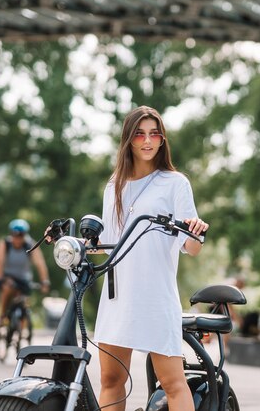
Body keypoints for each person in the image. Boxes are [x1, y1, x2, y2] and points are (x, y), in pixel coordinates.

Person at [93, 105, 209, 411]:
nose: (147, 141)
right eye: (140, 134)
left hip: (155, 295)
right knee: (110, 379)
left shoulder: (175, 183)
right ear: (128, 140)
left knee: (172, 382)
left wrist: (196, 232)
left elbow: (191, 247)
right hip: (118, 296)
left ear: (162, 140)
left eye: (154, 134)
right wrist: (76, 244)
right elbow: (107, 244)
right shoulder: (113, 187)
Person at [0, 218, 50, 327]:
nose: (17, 239)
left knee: (24, 302)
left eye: (20, 236)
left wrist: (45, 281)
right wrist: (0, 278)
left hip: (24, 279)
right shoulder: (5, 244)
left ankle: (22, 327)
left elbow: (40, 264)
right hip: (8, 277)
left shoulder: (30, 245)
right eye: (15, 236)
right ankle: (2, 316)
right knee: (7, 289)